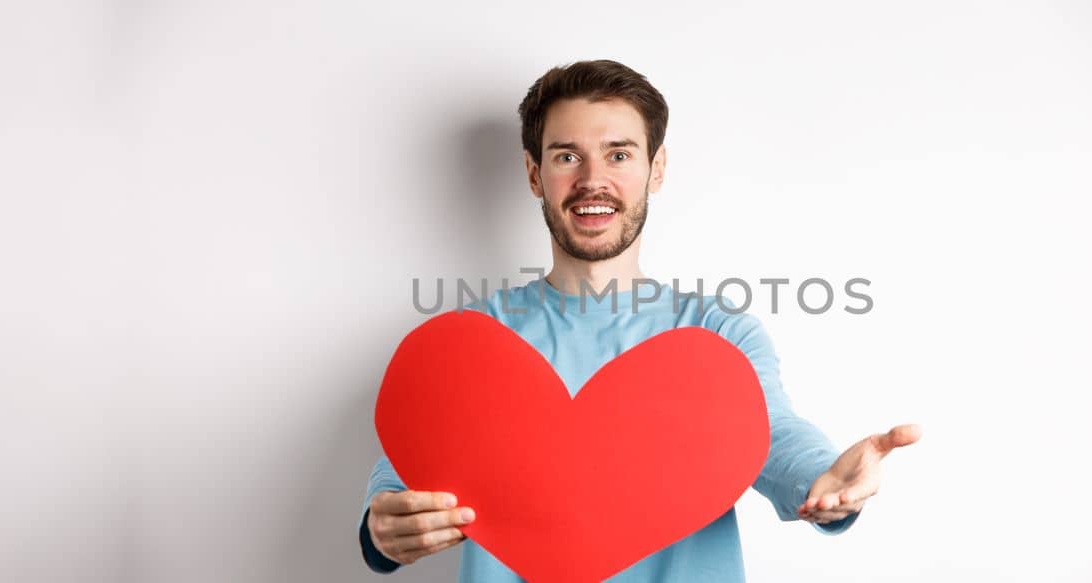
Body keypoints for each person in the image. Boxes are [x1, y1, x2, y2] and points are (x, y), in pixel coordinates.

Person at [358, 59, 922, 581]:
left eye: (619, 154)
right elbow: (408, 463)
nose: (592, 180)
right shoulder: (473, 340)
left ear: (656, 169)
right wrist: (381, 526)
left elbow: (770, 434)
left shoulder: (715, 335)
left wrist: (825, 480)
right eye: (567, 156)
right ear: (535, 175)